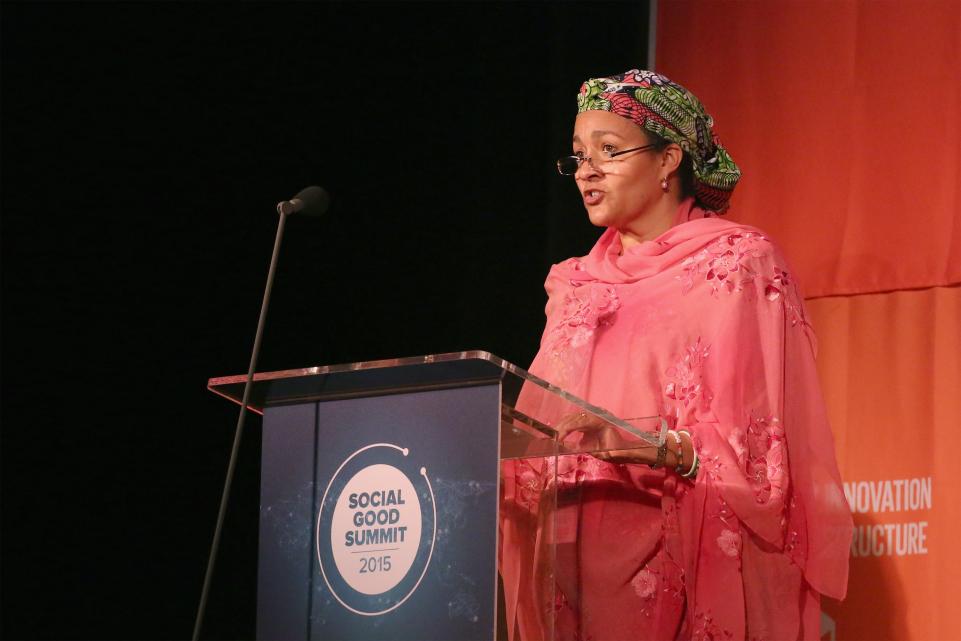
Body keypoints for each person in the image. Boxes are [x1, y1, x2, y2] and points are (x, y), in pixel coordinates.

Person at [499, 70, 853, 641]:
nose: (586, 171)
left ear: (668, 160)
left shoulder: (737, 262)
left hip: (675, 553)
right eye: (577, 157)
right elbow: (539, 429)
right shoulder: (573, 283)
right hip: (569, 559)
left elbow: (761, 452)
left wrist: (650, 445)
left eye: (609, 151)